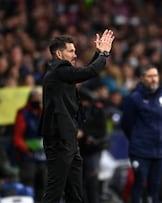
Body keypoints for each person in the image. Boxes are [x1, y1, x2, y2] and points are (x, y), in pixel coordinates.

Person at [39, 29, 115, 203]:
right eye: (71, 51)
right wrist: (104, 53)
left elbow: (85, 72)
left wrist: (97, 54)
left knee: (75, 192)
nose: (75, 55)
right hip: (59, 140)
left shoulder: (62, 74)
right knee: (54, 192)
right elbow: (88, 72)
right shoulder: (58, 71)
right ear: (59, 53)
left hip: (68, 138)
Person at [121, 65, 162, 203]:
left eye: (155, 76)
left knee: (155, 186)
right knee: (140, 181)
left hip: (159, 150)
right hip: (140, 150)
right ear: (142, 78)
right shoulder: (134, 99)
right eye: (150, 76)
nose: (154, 79)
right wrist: (138, 138)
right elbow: (126, 124)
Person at [13, 87, 46, 202]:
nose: (38, 100)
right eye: (36, 97)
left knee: (44, 186)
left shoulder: (45, 112)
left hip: (43, 157)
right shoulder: (23, 114)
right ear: (30, 98)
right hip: (28, 157)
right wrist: (27, 150)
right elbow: (17, 137)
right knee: (28, 186)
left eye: (40, 97)